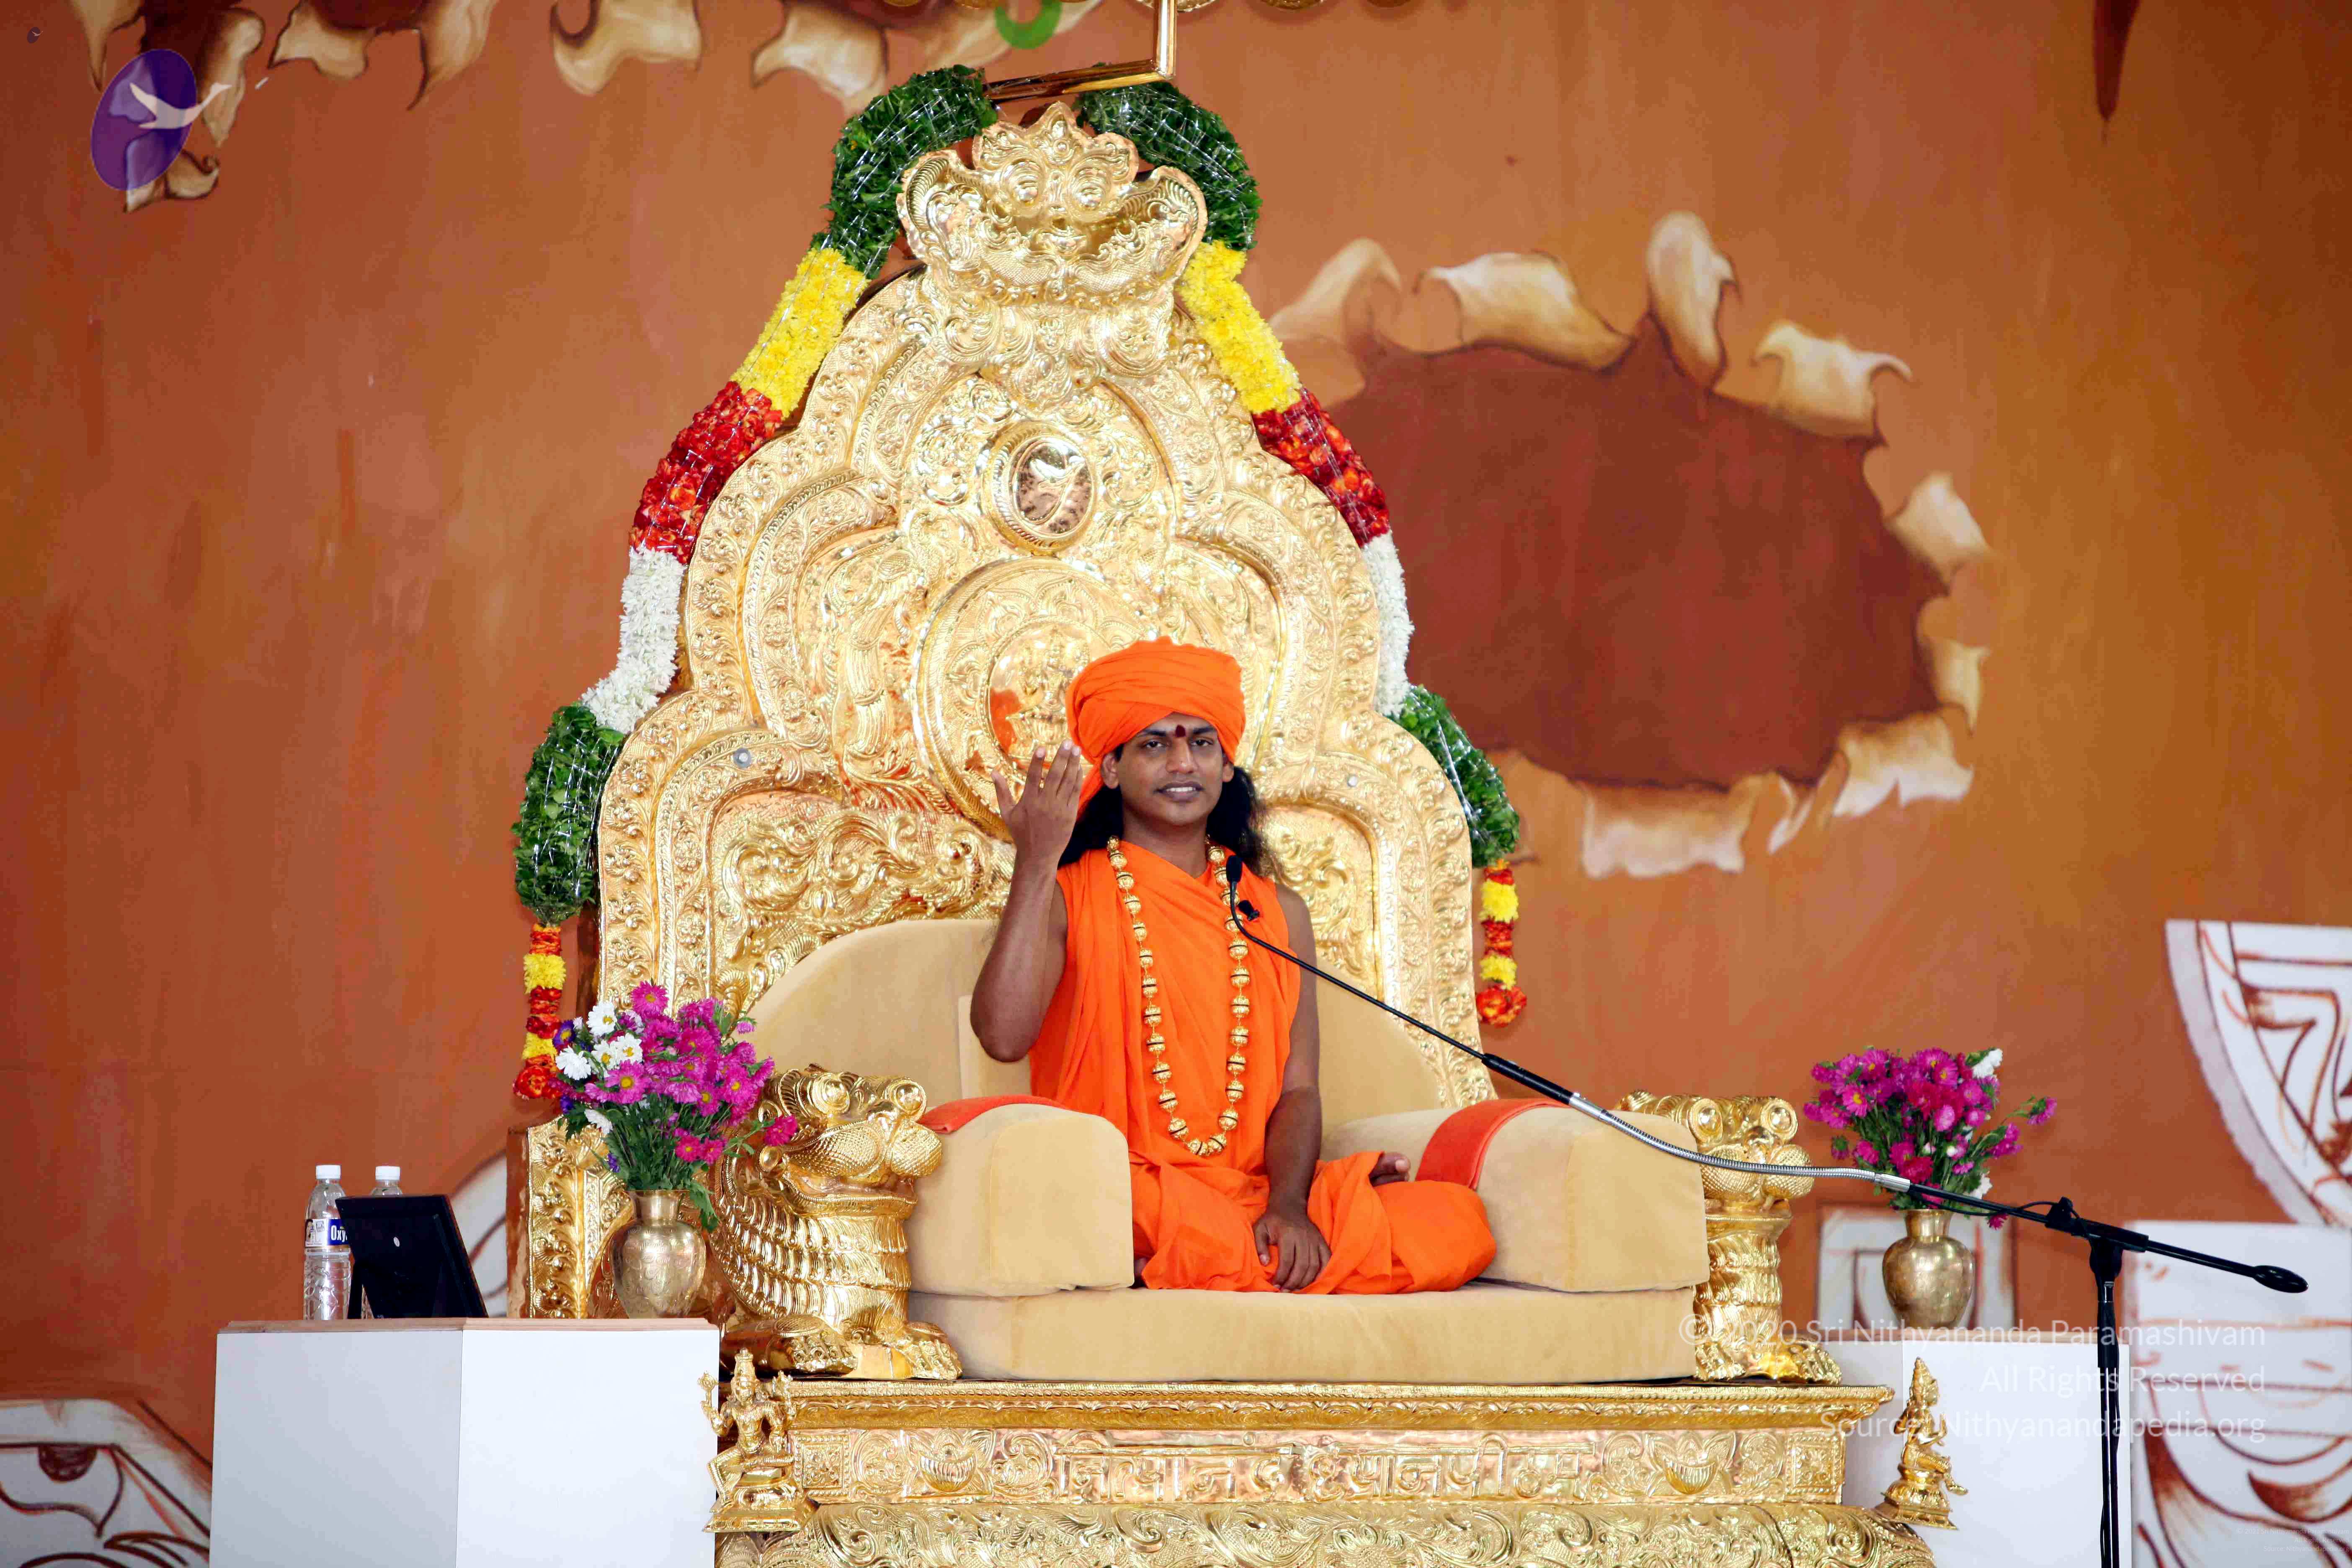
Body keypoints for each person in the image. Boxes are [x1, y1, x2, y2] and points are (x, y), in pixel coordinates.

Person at [970, 638, 1496, 1294]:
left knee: (1453, 1220)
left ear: (1225, 768)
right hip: (1122, 1189)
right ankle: (1205, 1255)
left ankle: (1201, 1260)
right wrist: (1035, 861)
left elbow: (1299, 1091)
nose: (1182, 762)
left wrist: (1291, 1207)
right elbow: (1002, 1036)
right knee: (1105, 1213)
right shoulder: (1068, 893)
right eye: (1153, 744)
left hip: (1248, 1197)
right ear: (1111, 769)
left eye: (1201, 742)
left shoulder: (1276, 912)